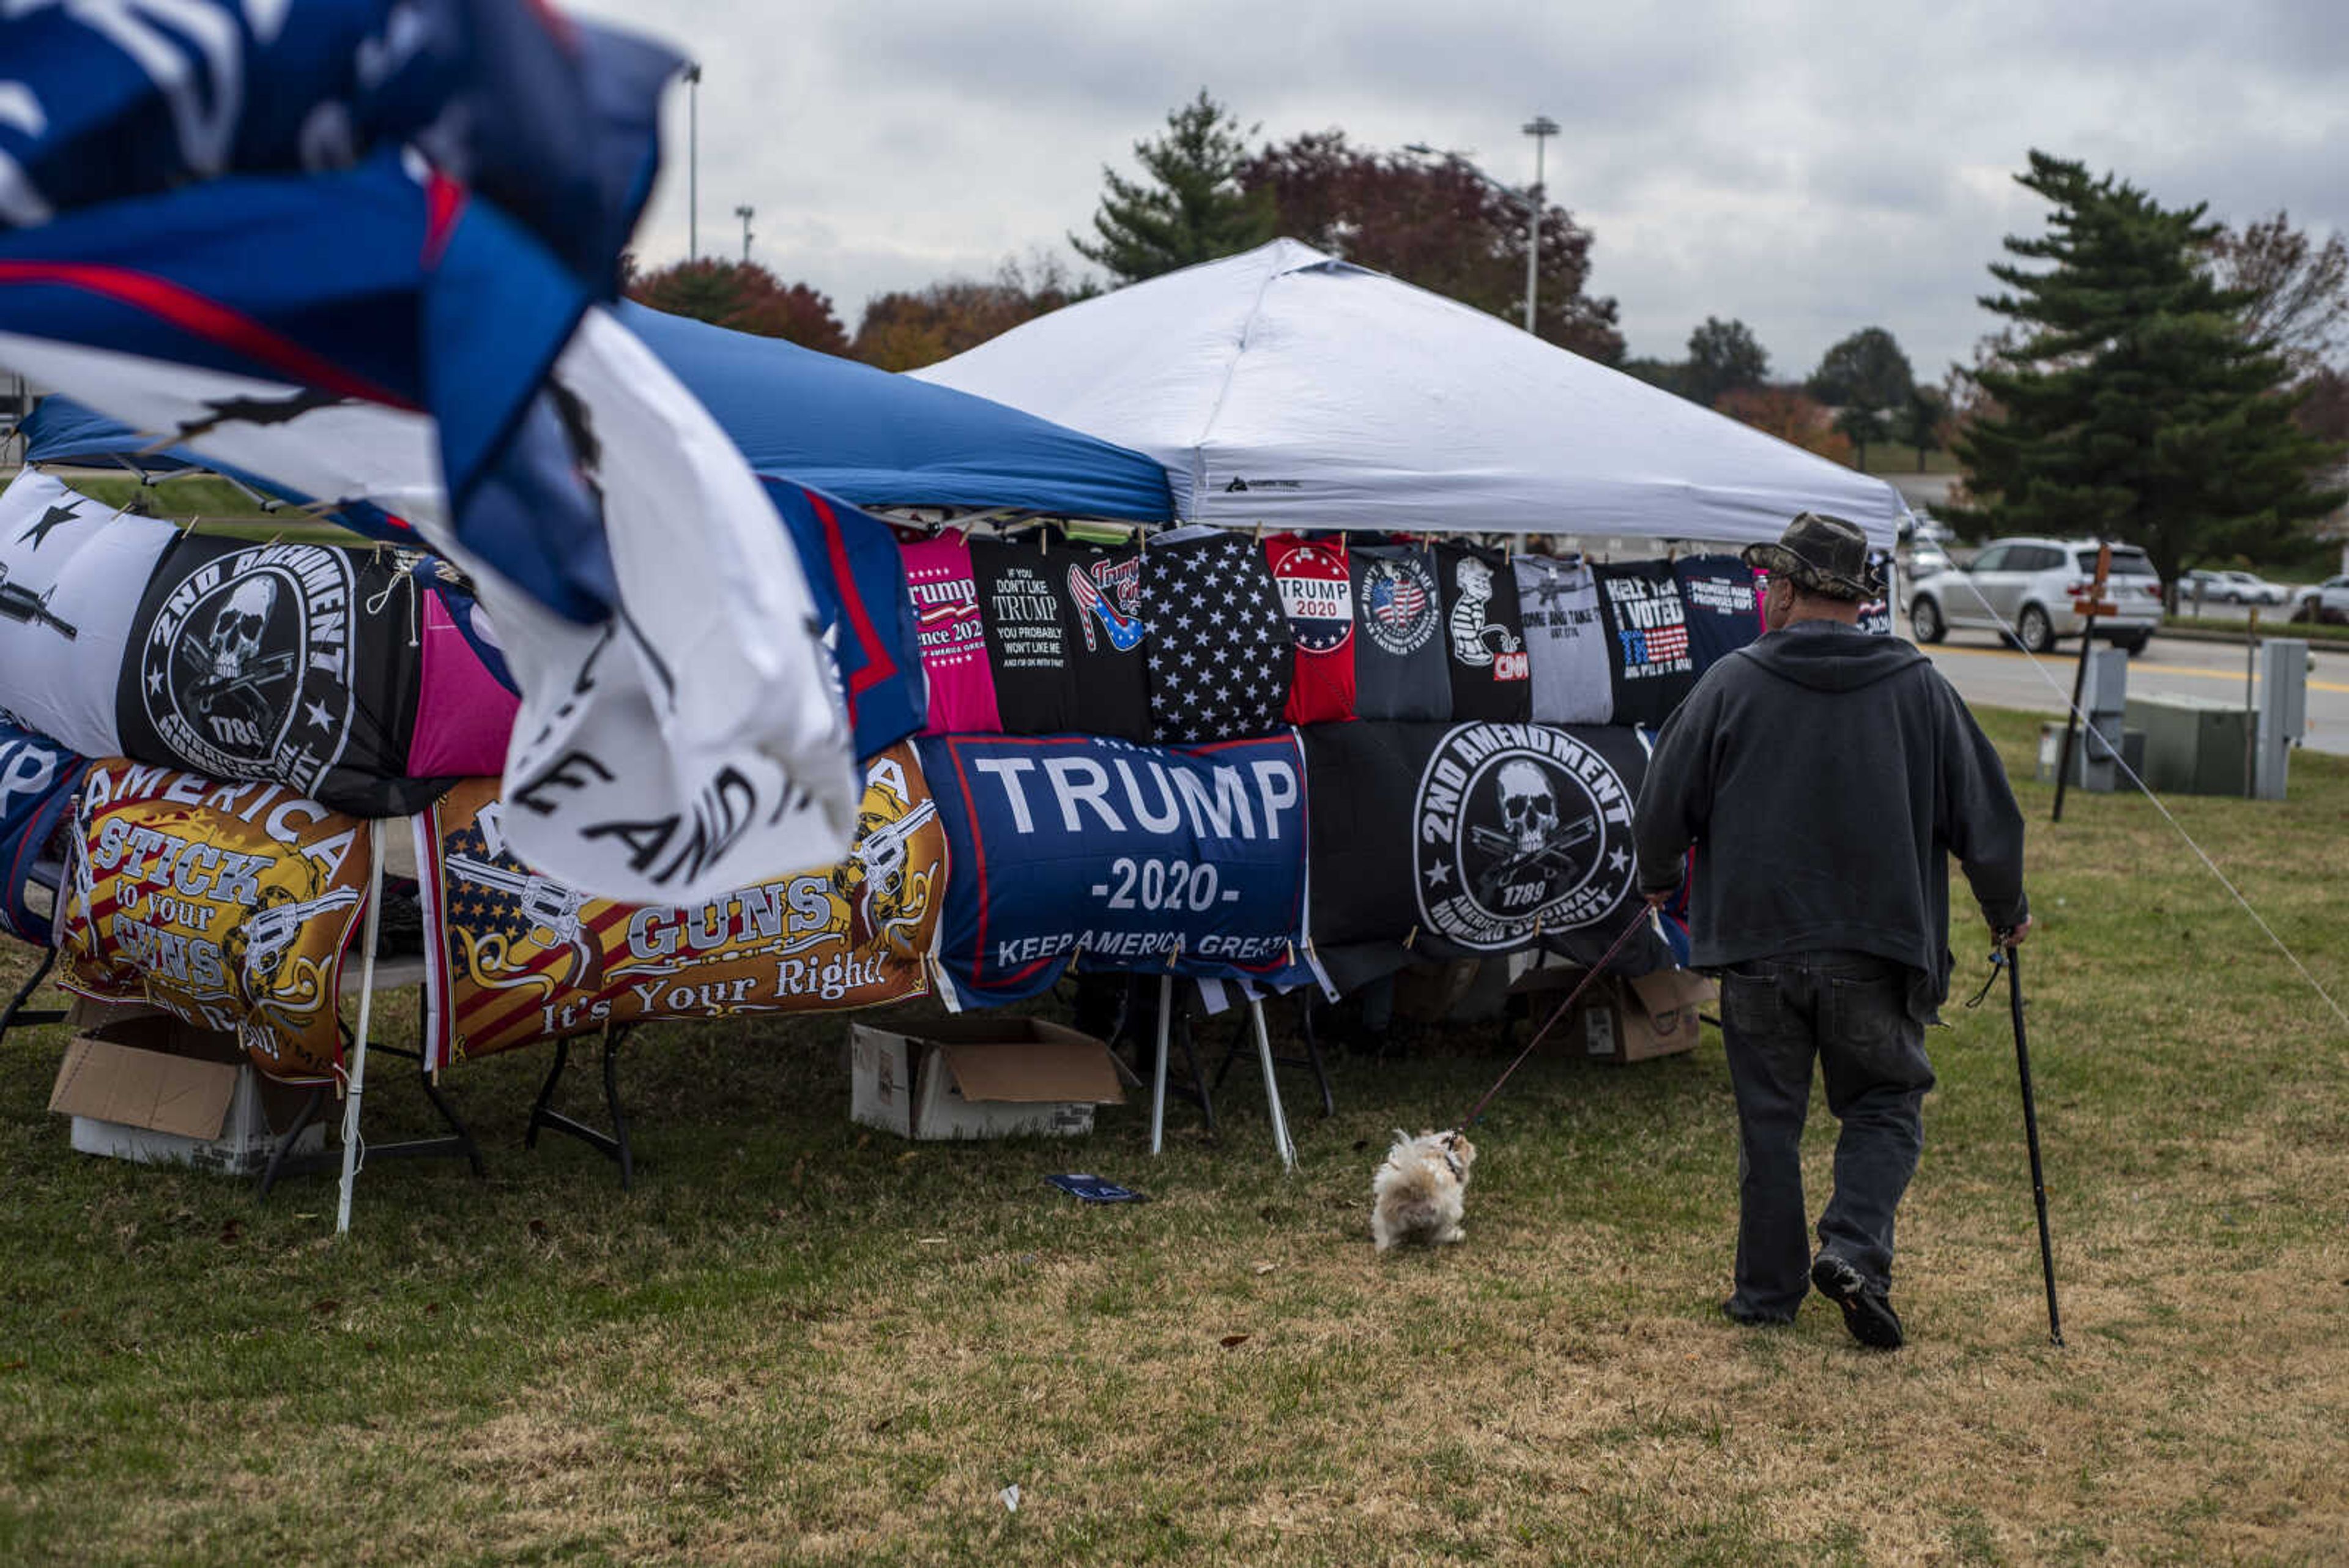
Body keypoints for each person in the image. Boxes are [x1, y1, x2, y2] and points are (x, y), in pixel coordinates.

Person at [1632, 513, 2030, 1350]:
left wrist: (1661, 878)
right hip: (1878, 948)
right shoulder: (1920, 687)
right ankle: (1853, 1249)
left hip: (1756, 948)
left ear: (1782, 590)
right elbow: (1986, 815)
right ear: (1860, 598)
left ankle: (1766, 1294)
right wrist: (2007, 910)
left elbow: (1662, 801)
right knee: (1884, 1104)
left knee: (1768, 1123)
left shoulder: (1731, 683)